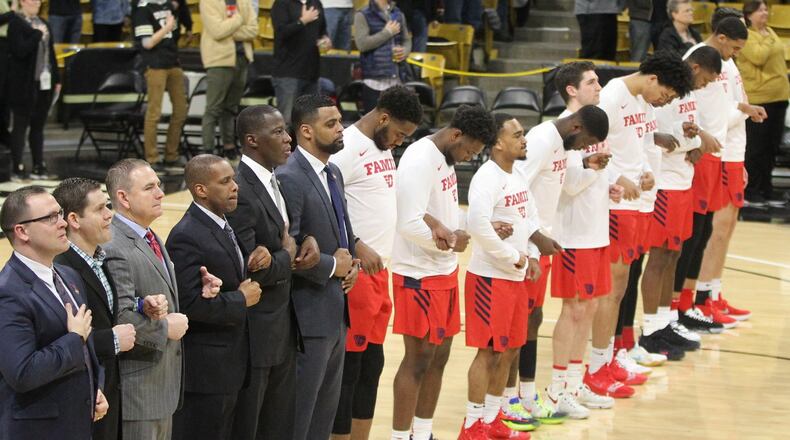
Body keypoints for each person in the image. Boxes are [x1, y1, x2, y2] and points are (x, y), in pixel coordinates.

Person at [585, 51, 692, 397]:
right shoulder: (614, 96)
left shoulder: (644, 103)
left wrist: (646, 175)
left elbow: (644, 145)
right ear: (653, 78)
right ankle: (596, 366)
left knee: (622, 287)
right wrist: (619, 177)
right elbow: (592, 148)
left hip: (639, 205)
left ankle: (611, 356)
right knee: (612, 290)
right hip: (615, 205)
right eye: (667, 94)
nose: (665, 101)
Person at [389, 105, 496, 440]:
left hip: (443, 270)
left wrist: (469, 229)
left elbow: (440, 214)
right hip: (417, 274)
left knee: (439, 356)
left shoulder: (444, 158)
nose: (467, 157)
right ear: (455, 135)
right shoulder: (420, 159)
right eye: (469, 150)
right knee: (418, 358)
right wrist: (449, 241)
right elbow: (408, 223)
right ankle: (399, 435)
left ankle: (423, 432)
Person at [328, 86, 422, 440]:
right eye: (399, 133)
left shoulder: (381, 146)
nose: (399, 141)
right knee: (350, 369)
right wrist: (354, 243)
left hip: (380, 273)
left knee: (372, 365)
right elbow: (326, 206)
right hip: (355, 275)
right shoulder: (346, 148)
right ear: (383, 117)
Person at [513, 103, 612, 420]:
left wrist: (586, 163)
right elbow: (516, 188)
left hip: (541, 243)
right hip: (528, 245)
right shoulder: (543, 139)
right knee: (518, 326)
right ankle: (508, 402)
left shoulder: (560, 144)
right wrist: (530, 240)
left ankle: (528, 396)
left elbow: (560, 182)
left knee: (532, 320)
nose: (583, 148)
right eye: (585, 143)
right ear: (576, 128)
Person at [275, 94, 359, 440]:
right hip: (306, 317)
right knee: (300, 418)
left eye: (340, 121)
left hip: (336, 310)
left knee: (323, 416)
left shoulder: (333, 171)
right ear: (306, 131)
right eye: (331, 124)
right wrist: (331, 267)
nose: (341, 129)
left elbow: (342, 234)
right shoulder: (290, 176)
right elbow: (287, 250)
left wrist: (351, 264)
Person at [674, 14, 764, 334]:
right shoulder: (700, 61)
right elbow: (700, 115)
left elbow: (730, 106)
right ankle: (697, 299)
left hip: (727, 150)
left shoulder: (726, 62)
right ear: (722, 37)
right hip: (713, 153)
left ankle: (709, 294)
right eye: (735, 47)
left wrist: (744, 111)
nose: (736, 53)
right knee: (709, 231)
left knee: (718, 230)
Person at [166, 155, 265, 440]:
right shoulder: (186, 234)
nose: (235, 187)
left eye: (233, 179)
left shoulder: (223, 222)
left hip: (233, 364)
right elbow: (189, 305)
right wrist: (240, 299)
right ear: (201, 190)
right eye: (225, 182)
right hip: (206, 373)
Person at [0, 186, 107, 439]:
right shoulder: (8, 293)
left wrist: (95, 387)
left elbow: (87, 348)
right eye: (50, 218)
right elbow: (22, 373)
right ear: (22, 231)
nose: (62, 223)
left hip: (78, 423)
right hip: (38, 431)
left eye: (59, 214)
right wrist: (73, 339)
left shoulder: (69, 276)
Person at [460, 113, 542, 439]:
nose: (524, 140)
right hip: (489, 279)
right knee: (489, 351)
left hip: (515, 278)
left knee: (509, 350)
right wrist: (513, 257)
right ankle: (471, 424)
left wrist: (532, 256)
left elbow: (530, 219)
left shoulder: (518, 174)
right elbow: (477, 225)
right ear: (498, 142)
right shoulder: (486, 178)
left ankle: (493, 418)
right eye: (518, 135)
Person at [548, 63, 622, 418]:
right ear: (572, 90)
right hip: (572, 235)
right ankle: (558, 388)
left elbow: (595, 173)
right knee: (574, 309)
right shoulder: (563, 130)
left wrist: (612, 184)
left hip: (596, 230)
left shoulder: (596, 122)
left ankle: (576, 383)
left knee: (590, 307)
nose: (599, 86)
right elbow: (568, 183)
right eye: (591, 82)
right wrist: (594, 168)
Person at [638, 47, 722, 359]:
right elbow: (665, 141)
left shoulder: (688, 96)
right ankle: (649, 330)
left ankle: (664, 322)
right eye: (705, 80)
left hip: (683, 182)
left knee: (673, 255)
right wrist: (689, 140)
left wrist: (692, 140)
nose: (705, 86)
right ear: (695, 67)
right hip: (665, 185)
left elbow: (691, 141)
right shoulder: (663, 96)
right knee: (659, 257)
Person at [228, 105, 305, 439]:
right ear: (252, 140)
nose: (288, 138)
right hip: (256, 333)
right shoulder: (239, 189)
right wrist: (288, 255)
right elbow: (249, 269)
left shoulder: (278, 180)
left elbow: (286, 238)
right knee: (253, 426)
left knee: (278, 425)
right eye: (277, 132)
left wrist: (303, 244)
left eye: (285, 130)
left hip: (283, 325)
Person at [102, 159, 191, 440]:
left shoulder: (149, 234)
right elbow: (121, 319)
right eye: (150, 187)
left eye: (159, 185)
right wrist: (166, 328)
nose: (160, 193)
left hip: (161, 386)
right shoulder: (114, 244)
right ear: (123, 198)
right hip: (139, 393)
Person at [52, 178, 139, 440]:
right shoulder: (62, 268)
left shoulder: (98, 258)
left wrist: (141, 304)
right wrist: (112, 340)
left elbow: (104, 310)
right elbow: (60, 338)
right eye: (100, 209)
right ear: (74, 220)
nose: (109, 214)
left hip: (109, 391)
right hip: (85, 396)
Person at [739, 0, 790, 207]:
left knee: (771, 147)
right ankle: (751, 190)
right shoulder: (746, 36)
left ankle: (767, 188)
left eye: (766, 9)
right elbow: (758, 57)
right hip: (759, 98)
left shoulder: (769, 31)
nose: (765, 13)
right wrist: (768, 39)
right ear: (749, 15)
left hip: (778, 96)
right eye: (760, 10)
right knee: (756, 148)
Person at [7, 0, 59, 181]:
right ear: (22, 2)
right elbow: (19, 51)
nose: (36, 3)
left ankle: (39, 165)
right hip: (23, 84)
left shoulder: (44, 23)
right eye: (32, 0)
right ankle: (17, 167)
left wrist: (57, 79)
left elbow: (50, 53)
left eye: (38, 0)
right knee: (20, 126)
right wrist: (36, 35)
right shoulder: (16, 23)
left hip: (44, 82)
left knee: (38, 125)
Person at [133, 0, 187, 169]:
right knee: (154, 112)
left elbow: (175, 36)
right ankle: (152, 157)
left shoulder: (168, 6)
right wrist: (167, 27)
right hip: (154, 64)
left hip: (173, 63)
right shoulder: (143, 9)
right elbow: (147, 43)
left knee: (180, 110)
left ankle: (171, 154)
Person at [199, 0, 257, 159]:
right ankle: (208, 151)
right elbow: (217, 31)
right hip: (219, 60)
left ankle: (229, 147)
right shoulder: (208, 2)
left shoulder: (244, 1)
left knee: (231, 108)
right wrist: (238, 20)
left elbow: (253, 30)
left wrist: (229, 29)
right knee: (213, 108)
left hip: (242, 59)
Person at [270, 0, 329, 125]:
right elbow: (281, 32)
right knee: (286, 121)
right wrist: (302, 21)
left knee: (311, 121)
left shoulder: (316, 3)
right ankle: (285, 145)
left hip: (312, 72)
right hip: (288, 72)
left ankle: (303, 146)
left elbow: (322, 30)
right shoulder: (281, 4)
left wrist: (325, 39)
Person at [353, 0, 412, 113]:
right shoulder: (362, 15)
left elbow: (406, 40)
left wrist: (404, 52)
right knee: (375, 126)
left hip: (398, 80)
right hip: (373, 82)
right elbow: (362, 44)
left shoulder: (398, 14)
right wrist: (387, 32)